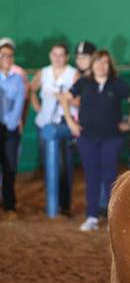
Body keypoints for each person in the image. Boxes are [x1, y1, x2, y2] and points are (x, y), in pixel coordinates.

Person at [61, 50, 130, 231]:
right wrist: (71, 123)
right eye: (98, 62)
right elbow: (65, 99)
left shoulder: (117, 84)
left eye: (105, 63)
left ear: (110, 66)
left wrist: (129, 122)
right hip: (87, 138)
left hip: (112, 138)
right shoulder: (84, 82)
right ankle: (91, 216)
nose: (101, 66)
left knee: (109, 177)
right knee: (91, 177)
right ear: (92, 65)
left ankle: (111, 218)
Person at [30, 43, 78, 217]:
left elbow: (79, 100)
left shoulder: (73, 74)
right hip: (45, 124)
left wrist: (65, 99)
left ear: (66, 57)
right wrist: (37, 108)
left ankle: (64, 206)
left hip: (65, 124)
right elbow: (31, 89)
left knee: (65, 166)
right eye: (54, 54)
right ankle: (51, 204)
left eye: (61, 55)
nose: (58, 58)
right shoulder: (44, 73)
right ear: (50, 55)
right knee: (48, 164)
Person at [0, 43, 26, 221]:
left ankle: (9, 205)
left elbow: (19, 105)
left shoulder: (18, 80)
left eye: (10, 55)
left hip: (10, 131)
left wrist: (9, 125)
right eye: (4, 55)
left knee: (10, 168)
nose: (7, 59)